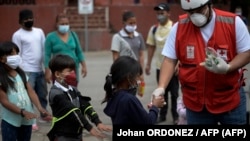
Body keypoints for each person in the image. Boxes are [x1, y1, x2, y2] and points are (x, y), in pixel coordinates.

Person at [153, 0, 250, 125]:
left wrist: (228, 67)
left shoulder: (233, 23)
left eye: (199, 11)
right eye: (190, 12)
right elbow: (170, 60)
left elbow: (246, 53)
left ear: (209, 5)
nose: (195, 16)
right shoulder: (179, 28)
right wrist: (161, 87)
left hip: (230, 101)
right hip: (196, 105)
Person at [47, 54, 112, 141]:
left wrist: (97, 122)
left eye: (73, 70)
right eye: (69, 71)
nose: (73, 73)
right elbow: (73, 111)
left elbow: (85, 105)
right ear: (58, 74)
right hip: (62, 136)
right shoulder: (55, 93)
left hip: (77, 135)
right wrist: (89, 128)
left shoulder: (73, 89)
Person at [0, 41, 51, 141]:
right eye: (11, 54)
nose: (16, 56)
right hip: (10, 120)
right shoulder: (1, 78)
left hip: (27, 119)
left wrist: (40, 108)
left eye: (16, 53)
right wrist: (22, 112)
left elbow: (31, 91)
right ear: (1, 59)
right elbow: (4, 101)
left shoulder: (21, 73)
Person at [12, 9, 51, 131]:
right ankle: (31, 119)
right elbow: (16, 54)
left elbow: (45, 50)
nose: (29, 21)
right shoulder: (17, 35)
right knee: (29, 97)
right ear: (20, 21)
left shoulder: (39, 32)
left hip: (40, 69)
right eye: (26, 19)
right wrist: (21, 71)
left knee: (42, 94)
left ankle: (43, 115)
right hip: (27, 71)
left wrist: (47, 67)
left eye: (31, 18)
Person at [102, 56, 165, 124]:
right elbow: (148, 122)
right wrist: (155, 107)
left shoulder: (114, 94)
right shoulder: (129, 100)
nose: (139, 79)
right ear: (129, 77)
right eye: (137, 76)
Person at [145, 3, 179, 124]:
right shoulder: (154, 29)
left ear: (168, 13)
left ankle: (176, 116)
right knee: (161, 92)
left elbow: (179, 47)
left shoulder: (175, 27)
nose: (160, 16)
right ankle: (162, 115)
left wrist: (178, 63)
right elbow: (151, 47)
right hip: (160, 67)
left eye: (162, 13)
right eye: (158, 13)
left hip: (173, 68)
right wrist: (148, 63)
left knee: (174, 94)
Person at [45, 13, 87, 87]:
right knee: (60, 90)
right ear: (57, 24)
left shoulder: (73, 35)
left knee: (73, 89)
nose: (65, 25)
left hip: (72, 68)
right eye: (62, 24)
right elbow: (47, 55)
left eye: (66, 23)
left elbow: (79, 51)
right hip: (59, 69)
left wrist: (84, 66)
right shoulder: (50, 37)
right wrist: (47, 70)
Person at [110, 10, 146, 83]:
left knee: (135, 92)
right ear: (124, 23)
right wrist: (118, 72)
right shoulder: (117, 37)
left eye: (134, 23)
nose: (133, 25)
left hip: (135, 71)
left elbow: (141, 55)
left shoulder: (139, 36)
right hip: (123, 71)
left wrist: (141, 72)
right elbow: (115, 57)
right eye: (130, 23)